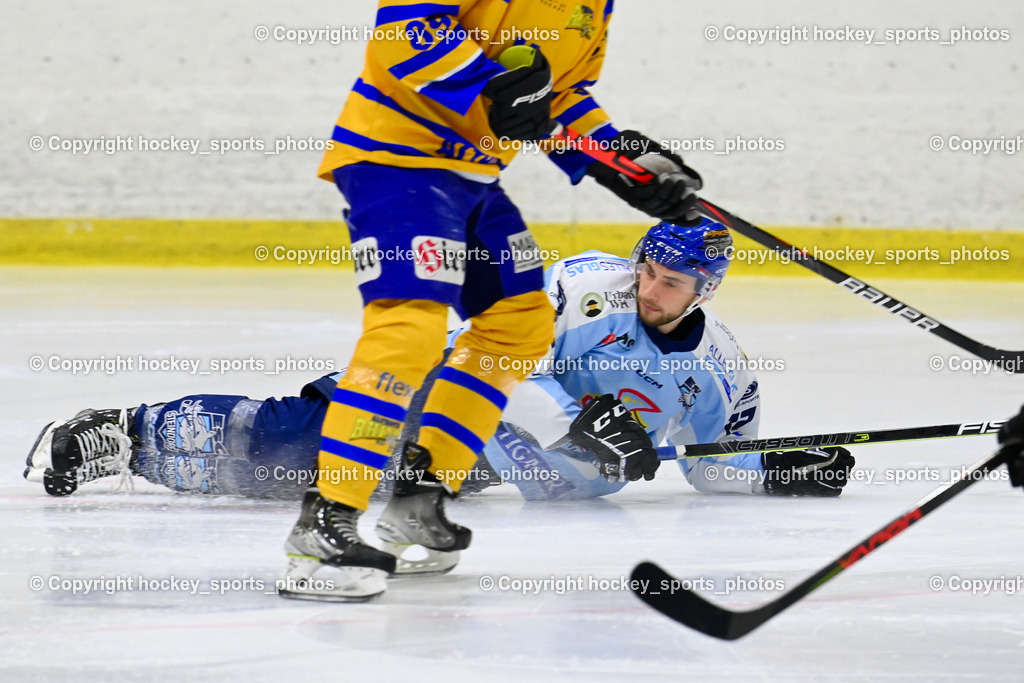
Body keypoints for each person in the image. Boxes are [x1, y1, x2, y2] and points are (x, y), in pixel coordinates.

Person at [28, 3, 706, 601]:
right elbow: (405, 30)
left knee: (518, 323)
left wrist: (625, 161)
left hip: (470, 173)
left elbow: (557, 96)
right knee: (410, 327)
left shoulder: (593, 5)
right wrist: (487, 85)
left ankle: (418, 498)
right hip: (394, 160)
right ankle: (325, 524)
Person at [25, 220, 857, 513]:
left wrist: (779, 471)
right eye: (648, 268)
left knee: (315, 481)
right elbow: (492, 352)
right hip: (454, 394)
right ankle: (122, 433)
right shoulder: (584, 286)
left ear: (706, 288)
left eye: (671, 282)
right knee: (296, 440)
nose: (649, 288)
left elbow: (713, 465)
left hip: (488, 465)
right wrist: (576, 423)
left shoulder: (719, 368)